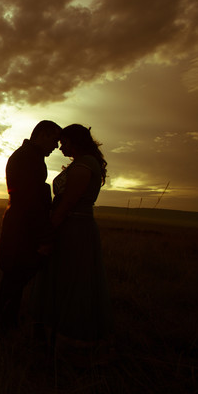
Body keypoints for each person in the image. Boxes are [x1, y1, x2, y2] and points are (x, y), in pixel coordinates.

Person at [30, 124, 113, 359]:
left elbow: (67, 204)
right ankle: (56, 334)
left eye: (64, 142)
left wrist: (50, 229)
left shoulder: (84, 165)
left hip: (75, 230)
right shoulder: (82, 163)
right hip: (72, 227)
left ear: (75, 141)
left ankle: (73, 343)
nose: (60, 146)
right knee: (65, 279)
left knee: (74, 280)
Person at [0, 120, 61, 334]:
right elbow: (30, 201)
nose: (56, 147)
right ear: (42, 134)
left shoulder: (28, 156)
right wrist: (45, 238)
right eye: (54, 140)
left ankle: (6, 325)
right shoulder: (28, 158)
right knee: (15, 278)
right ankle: (5, 329)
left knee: (14, 278)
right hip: (22, 229)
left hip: (20, 226)